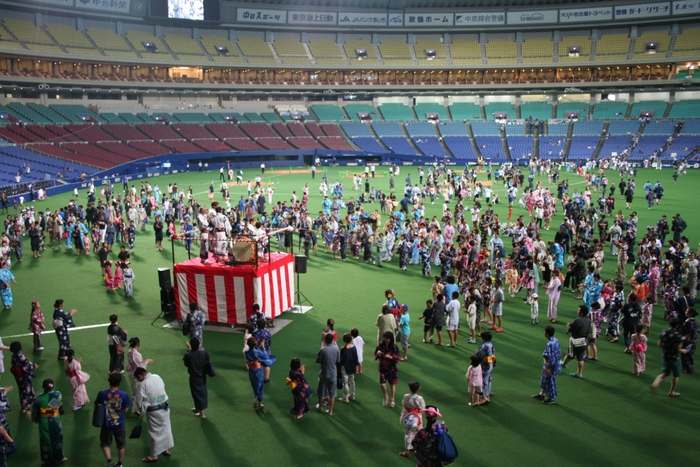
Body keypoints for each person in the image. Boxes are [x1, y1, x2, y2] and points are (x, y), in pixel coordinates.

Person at [133, 368, 174, 462]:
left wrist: (137, 408)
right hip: (165, 408)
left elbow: (139, 399)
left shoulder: (143, 384)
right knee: (166, 429)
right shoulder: (157, 376)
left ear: (140, 376)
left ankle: (154, 455)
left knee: (154, 433)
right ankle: (166, 449)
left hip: (154, 411)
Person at [96, 372, 130, 467]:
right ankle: (120, 463)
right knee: (121, 444)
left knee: (105, 443)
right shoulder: (123, 394)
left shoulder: (102, 393)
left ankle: (110, 461)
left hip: (106, 423)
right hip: (119, 423)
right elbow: (126, 409)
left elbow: (97, 405)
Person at [32, 378, 66, 464]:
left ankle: (48, 458)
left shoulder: (39, 398)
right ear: (52, 386)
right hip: (55, 420)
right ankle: (59, 458)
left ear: (43, 386)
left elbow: (36, 411)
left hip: (43, 421)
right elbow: (59, 408)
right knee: (57, 437)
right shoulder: (57, 394)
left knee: (45, 439)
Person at [532, 326, 561, 405]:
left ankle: (552, 398)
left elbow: (551, 357)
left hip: (550, 365)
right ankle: (542, 394)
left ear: (547, 333)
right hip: (552, 364)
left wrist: (548, 367)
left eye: (544, 331)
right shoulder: (555, 340)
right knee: (545, 380)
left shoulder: (550, 344)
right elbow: (558, 353)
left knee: (551, 381)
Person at [244, 337, 274, 410]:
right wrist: (263, 347)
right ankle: (258, 402)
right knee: (260, 386)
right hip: (258, 370)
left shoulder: (246, 352)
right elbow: (266, 356)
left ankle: (256, 397)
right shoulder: (257, 352)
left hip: (251, 370)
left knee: (254, 385)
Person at [562, 305, 592, 379]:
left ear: (582, 312)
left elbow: (571, 329)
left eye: (579, 310)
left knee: (570, 354)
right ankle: (580, 373)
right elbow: (590, 331)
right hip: (584, 341)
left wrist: (568, 326)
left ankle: (563, 364)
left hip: (575, 340)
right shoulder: (588, 320)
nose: (577, 311)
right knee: (580, 357)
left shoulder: (577, 320)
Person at [183, 337, 210, 419]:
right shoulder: (203, 353)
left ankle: (201, 412)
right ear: (198, 345)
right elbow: (207, 361)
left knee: (196, 393)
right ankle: (199, 408)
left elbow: (186, 363)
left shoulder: (189, 355)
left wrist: (189, 349)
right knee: (201, 392)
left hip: (194, 376)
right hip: (202, 375)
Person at [315, 333, 341, 416]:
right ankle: (330, 411)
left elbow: (318, 360)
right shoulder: (337, 349)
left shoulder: (323, 350)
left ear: (325, 341)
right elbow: (338, 360)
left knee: (320, 392)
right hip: (333, 374)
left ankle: (320, 407)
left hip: (324, 374)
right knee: (332, 393)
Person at [398, 381, 425, 458]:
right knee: (418, 432)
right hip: (418, 418)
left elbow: (404, 406)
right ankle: (417, 447)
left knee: (408, 434)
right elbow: (422, 409)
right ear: (418, 389)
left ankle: (407, 451)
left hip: (409, 417)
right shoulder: (420, 398)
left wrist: (403, 416)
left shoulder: (406, 396)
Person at [9, 340, 37, 413]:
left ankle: (24, 405)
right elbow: (26, 366)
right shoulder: (20, 356)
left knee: (22, 390)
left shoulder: (13, 356)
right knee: (27, 389)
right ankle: (27, 405)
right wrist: (33, 366)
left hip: (18, 376)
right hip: (24, 375)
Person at [375, 331, 400, 408]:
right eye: (384, 338)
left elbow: (397, 358)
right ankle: (386, 396)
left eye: (387, 338)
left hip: (391, 368)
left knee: (392, 384)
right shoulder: (380, 345)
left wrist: (390, 357)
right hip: (383, 367)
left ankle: (392, 399)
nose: (385, 340)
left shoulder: (394, 346)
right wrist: (378, 353)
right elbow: (376, 354)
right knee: (382, 384)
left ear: (390, 338)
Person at [338, 333, 358, 403]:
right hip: (352, 365)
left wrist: (339, 368)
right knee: (352, 381)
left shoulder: (343, 349)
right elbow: (356, 358)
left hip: (344, 366)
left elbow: (340, 360)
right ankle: (352, 395)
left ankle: (345, 397)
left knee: (345, 382)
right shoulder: (354, 347)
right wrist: (356, 366)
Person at [680, 308, 698, 374]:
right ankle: (689, 368)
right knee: (690, 354)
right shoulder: (695, 321)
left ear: (690, 314)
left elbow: (683, 331)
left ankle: (688, 368)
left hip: (689, 341)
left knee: (686, 355)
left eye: (687, 311)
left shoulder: (688, 322)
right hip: (694, 340)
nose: (685, 312)